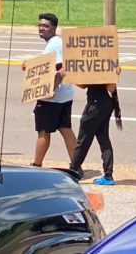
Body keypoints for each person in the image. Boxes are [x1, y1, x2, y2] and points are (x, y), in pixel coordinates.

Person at [22, 13, 76, 167]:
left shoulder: (55, 44)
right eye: (39, 25)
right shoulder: (55, 43)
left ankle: (36, 165)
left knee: (43, 131)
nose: (41, 28)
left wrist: (50, 88)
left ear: (54, 28)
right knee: (65, 129)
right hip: (65, 95)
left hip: (52, 97)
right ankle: (76, 165)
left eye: (45, 26)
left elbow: (60, 69)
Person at [69, 68, 123, 186]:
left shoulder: (94, 66)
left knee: (83, 140)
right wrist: (114, 75)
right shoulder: (106, 64)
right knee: (103, 139)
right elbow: (111, 88)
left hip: (94, 105)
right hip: (106, 103)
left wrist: (68, 76)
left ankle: (72, 172)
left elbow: (83, 85)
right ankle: (108, 175)